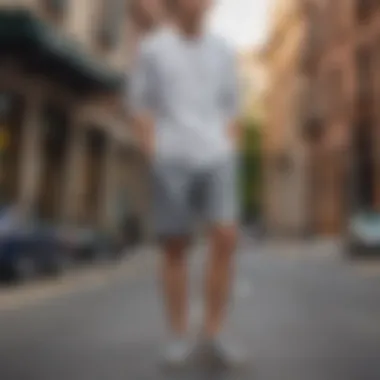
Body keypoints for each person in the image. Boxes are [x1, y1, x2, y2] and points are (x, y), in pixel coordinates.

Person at [129, 0, 244, 368]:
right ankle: (179, 335)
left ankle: (213, 333)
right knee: (175, 247)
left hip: (217, 157)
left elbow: (232, 108)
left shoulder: (224, 50)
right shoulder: (153, 49)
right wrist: (154, 152)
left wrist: (228, 148)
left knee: (226, 237)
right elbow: (141, 107)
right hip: (171, 158)